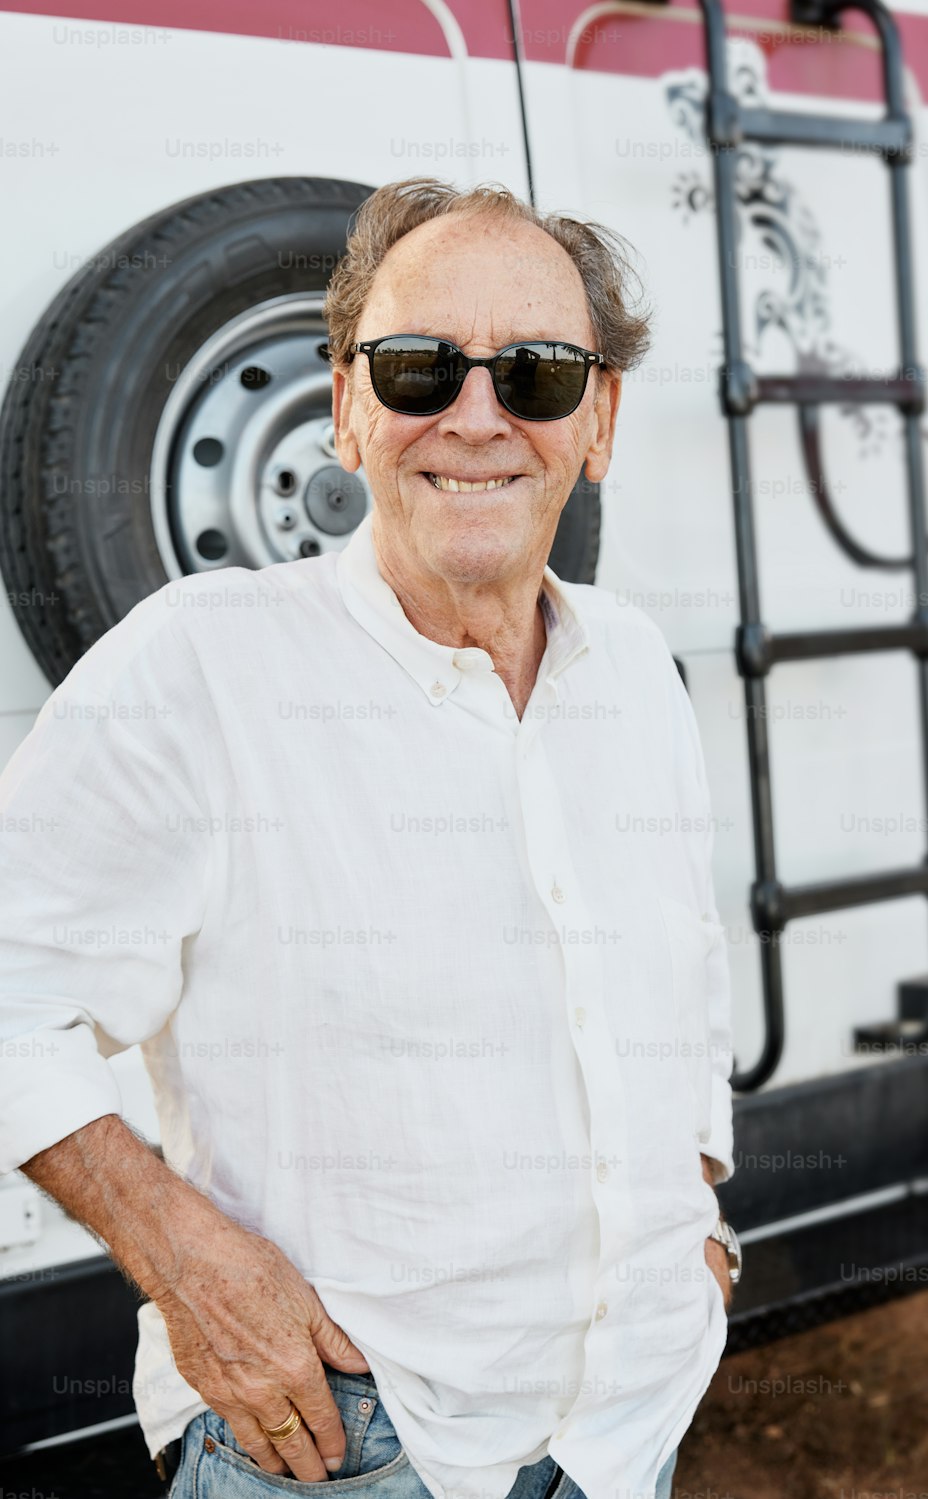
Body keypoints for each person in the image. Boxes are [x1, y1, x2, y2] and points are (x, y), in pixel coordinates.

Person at [0, 176, 739, 1499]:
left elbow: (680, 957)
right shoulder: (206, 667)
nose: (475, 416)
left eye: (537, 373)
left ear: (601, 420)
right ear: (346, 405)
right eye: (416, 369)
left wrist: (698, 1190)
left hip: (630, 1432)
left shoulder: (630, 664)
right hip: (347, 1450)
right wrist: (184, 1262)